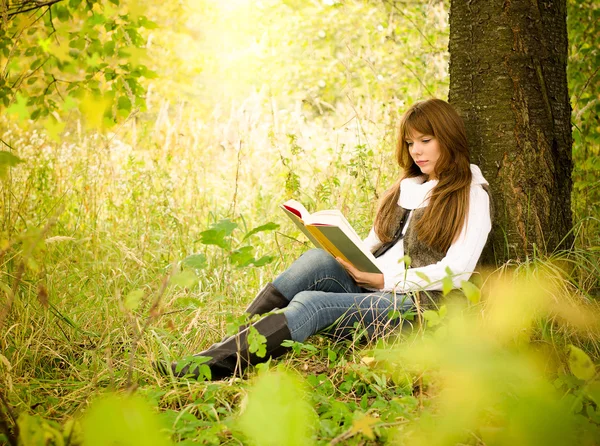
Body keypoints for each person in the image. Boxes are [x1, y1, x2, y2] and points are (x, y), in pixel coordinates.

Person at [158, 98, 492, 380]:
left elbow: (458, 271)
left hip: (422, 308)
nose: (416, 151)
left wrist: (382, 278)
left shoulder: (470, 192)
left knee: (313, 303)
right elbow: (374, 243)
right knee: (318, 261)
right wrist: (339, 250)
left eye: (425, 140)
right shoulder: (406, 187)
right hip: (376, 290)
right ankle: (230, 342)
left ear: (447, 138)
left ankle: (211, 368)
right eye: (409, 142)